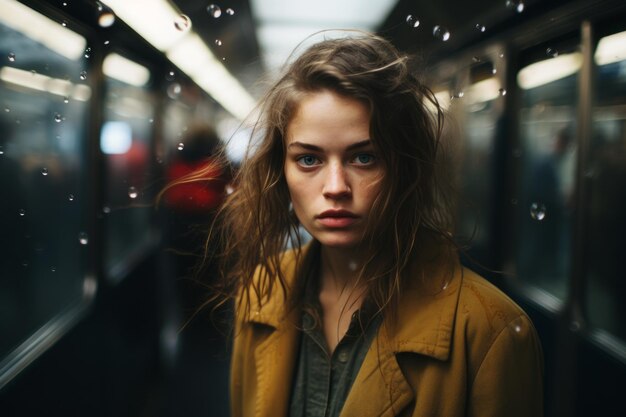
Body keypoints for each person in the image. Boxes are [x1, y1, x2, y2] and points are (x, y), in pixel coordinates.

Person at [210, 32, 543, 417]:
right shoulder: (262, 290)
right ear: (279, 170)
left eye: (364, 158)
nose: (336, 188)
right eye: (308, 160)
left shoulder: (490, 332)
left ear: (404, 168)